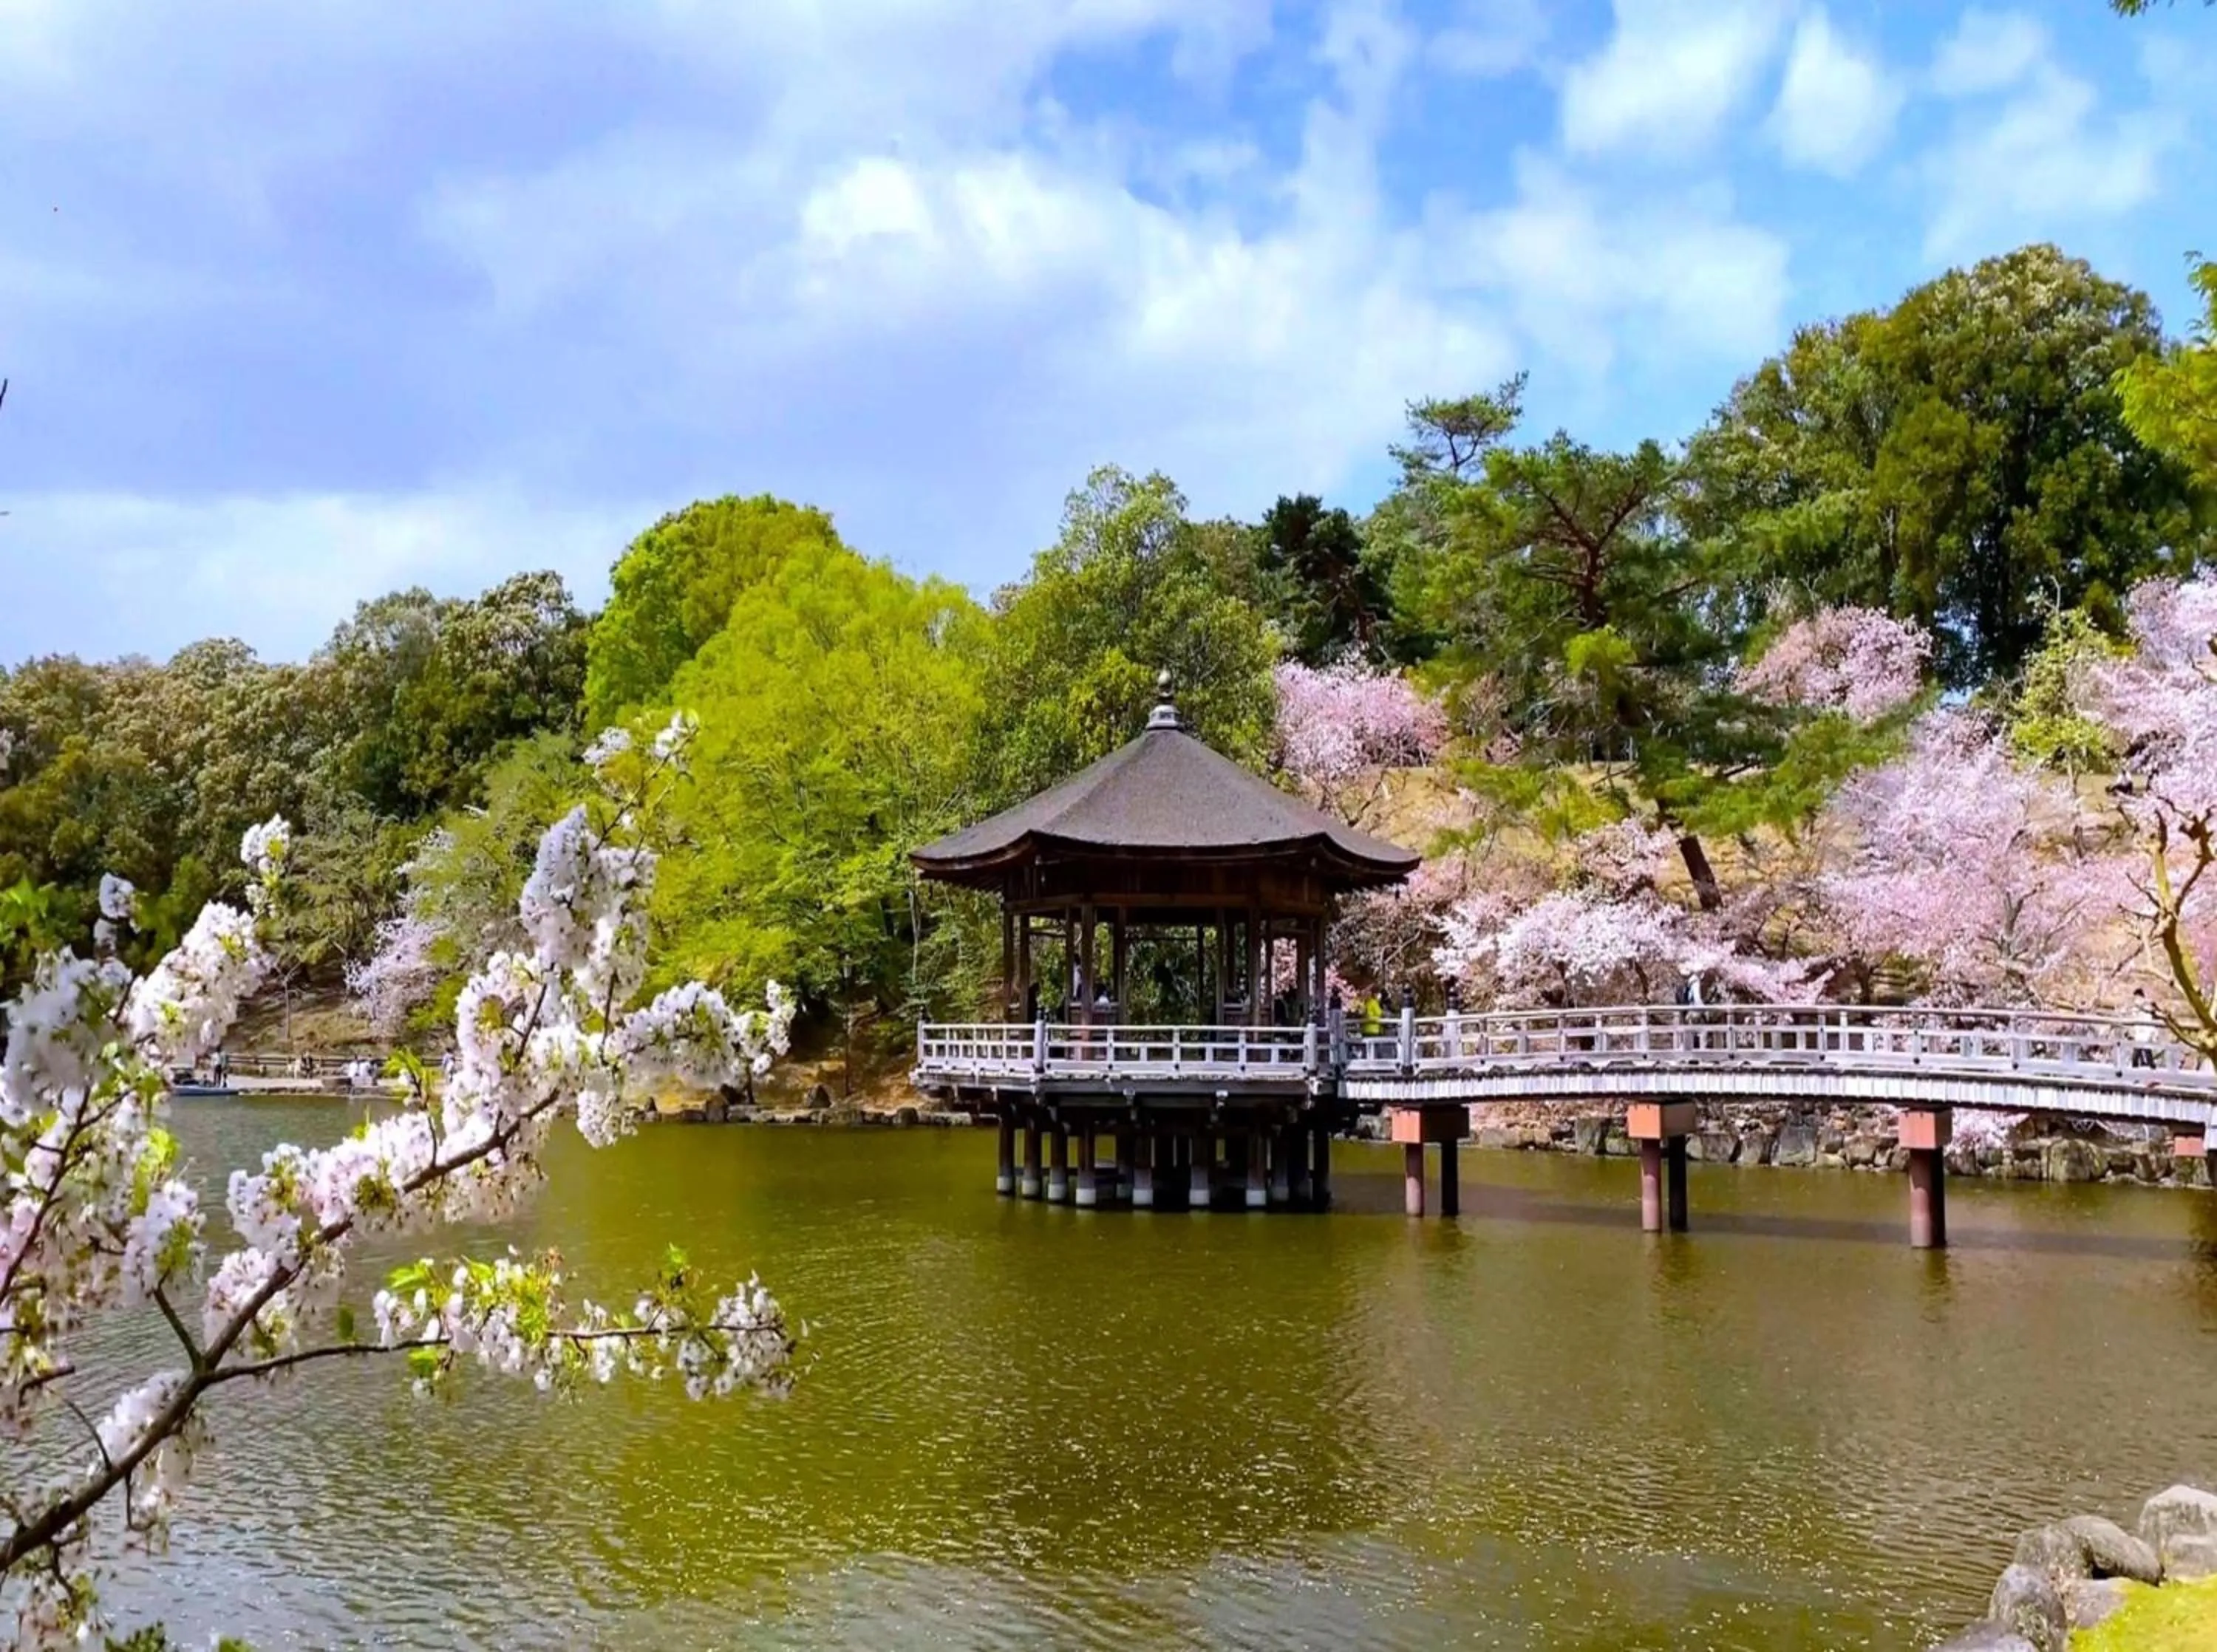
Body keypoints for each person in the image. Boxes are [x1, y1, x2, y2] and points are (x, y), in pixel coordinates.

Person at [2130, 989, 2160, 1070]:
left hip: (2145, 1031)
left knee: (2140, 1051)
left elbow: (2153, 1012)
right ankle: (2151, 1067)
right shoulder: (2141, 1005)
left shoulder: (2145, 1005)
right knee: (2145, 1051)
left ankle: (2138, 1068)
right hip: (2142, 1032)